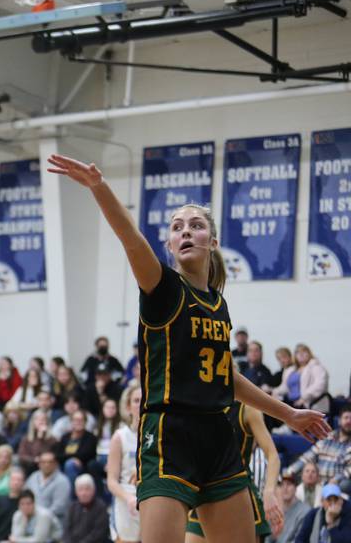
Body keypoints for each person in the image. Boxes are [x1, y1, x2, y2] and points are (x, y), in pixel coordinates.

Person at [46, 153, 329, 543]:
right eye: (177, 227)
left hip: (218, 434)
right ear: (169, 243)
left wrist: (289, 414)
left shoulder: (218, 303)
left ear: (211, 242)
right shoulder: (163, 288)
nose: (185, 232)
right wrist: (100, 188)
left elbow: (225, 376)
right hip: (169, 433)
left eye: (195, 226)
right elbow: (130, 239)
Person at [185, 402, 284, 543]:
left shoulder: (247, 408)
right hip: (204, 495)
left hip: (238, 494)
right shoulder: (197, 404)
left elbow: (273, 455)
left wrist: (269, 491)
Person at [285, 405, 351, 495]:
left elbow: (349, 468)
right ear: (339, 421)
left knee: (345, 485)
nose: (349, 421)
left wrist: (336, 479)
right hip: (316, 480)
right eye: (346, 418)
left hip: (335, 484)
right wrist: (290, 471)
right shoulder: (328, 437)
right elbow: (309, 456)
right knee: (290, 477)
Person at [107, 385, 141, 543]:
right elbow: (111, 481)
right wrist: (128, 498)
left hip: (152, 498)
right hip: (127, 500)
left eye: (144, 400)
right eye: (136, 401)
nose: (141, 404)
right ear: (128, 407)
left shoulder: (160, 436)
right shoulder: (120, 437)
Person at [61, 474, 110, 543]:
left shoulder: (101, 507)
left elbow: (99, 533)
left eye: (87, 489)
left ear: (93, 490)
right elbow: (66, 530)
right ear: (76, 492)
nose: (84, 493)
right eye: (80, 489)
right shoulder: (72, 507)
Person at [25, 451, 71, 524]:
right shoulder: (33, 477)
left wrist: (39, 516)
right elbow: (25, 496)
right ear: (39, 464)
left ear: (56, 464)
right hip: (31, 519)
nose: (47, 465)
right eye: (43, 462)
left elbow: (59, 507)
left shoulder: (62, 481)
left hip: (52, 522)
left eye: (50, 462)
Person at [56, 410, 97, 488]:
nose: (78, 422)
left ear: (85, 422)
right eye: (76, 420)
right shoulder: (65, 437)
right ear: (71, 422)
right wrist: (73, 457)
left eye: (81, 420)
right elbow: (58, 455)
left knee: (70, 464)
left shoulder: (90, 437)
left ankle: (70, 496)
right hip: (62, 465)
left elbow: (85, 455)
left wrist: (71, 458)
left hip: (83, 467)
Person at [270, 474, 310, 543]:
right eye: (282, 485)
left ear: (295, 488)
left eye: (289, 484)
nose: (285, 488)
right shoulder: (274, 510)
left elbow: (300, 540)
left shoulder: (305, 511)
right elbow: (268, 538)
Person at [17, 411, 57, 475]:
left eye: (43, 419)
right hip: (30, 467)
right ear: (33, 422)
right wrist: (33, 459)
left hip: (47, 467)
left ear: (47, 422)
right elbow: (21, 456)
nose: (40, 421)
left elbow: (52, 456)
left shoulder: (52, 439)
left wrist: (41, 438)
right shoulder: (26, 439)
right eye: (37, 419)